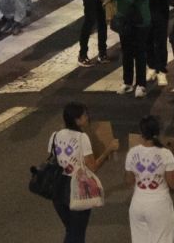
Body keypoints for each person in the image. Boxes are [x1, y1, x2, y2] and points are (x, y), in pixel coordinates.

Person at [127, 112, 174, 243]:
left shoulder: (132, 153)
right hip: (158, 205)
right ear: (158, 132)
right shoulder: (165, 154)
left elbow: (129, 181)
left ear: (141, 133)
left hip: (137, 204)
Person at [48, 101, 112, 243]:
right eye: (84, 115)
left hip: (57, 190)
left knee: (72, 230)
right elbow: (92, 167)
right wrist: (108, 150)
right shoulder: (82, 138)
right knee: (76, 234)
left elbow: (55, 159)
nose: (87, 117)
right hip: (77, 190)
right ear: (77, 120)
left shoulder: (55, 135)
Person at [111, 0, 153, 96]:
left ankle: (141, 84)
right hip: (125, 21)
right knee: (127, 52)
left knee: (140, 52)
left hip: (141, 21)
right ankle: (127, 82)